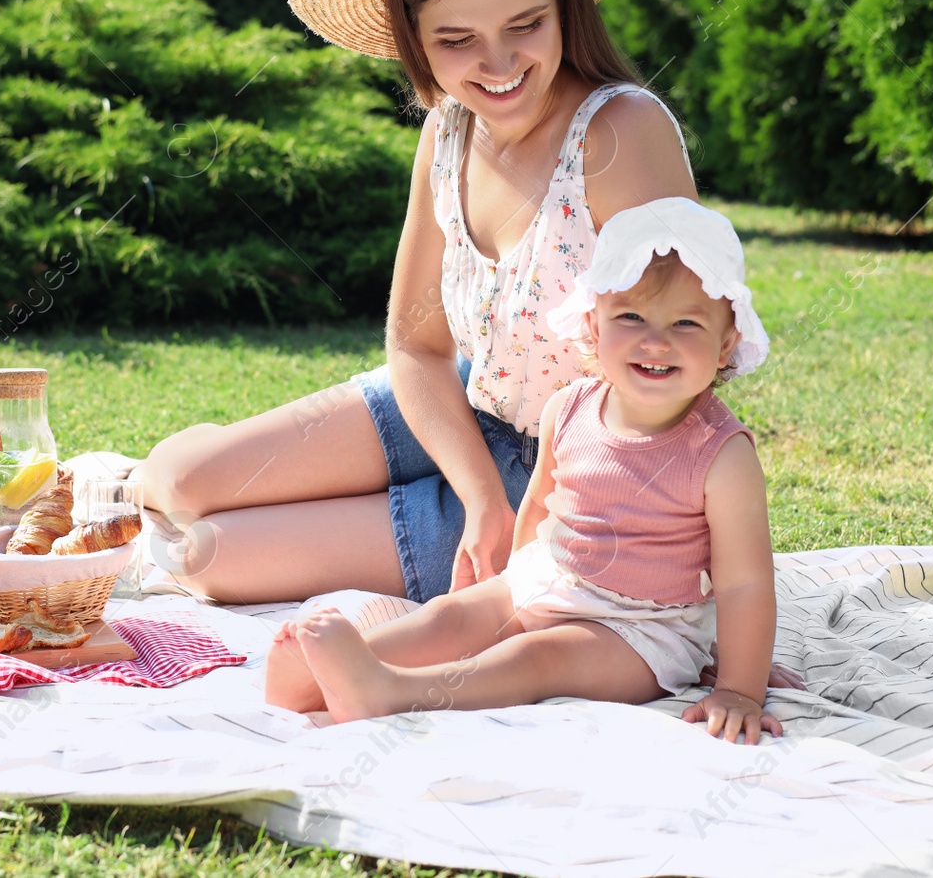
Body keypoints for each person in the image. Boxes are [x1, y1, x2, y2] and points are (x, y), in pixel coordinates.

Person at [135, 0, 698, 605]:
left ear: (566, 5)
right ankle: (206, 461)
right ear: (414, 41)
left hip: (575, 473)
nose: (497, 66)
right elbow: (416, 345)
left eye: (525, 25)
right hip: (457, 405)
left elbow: (676, 367)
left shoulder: (621, 133)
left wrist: (525, 512)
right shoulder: (447, 131)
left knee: (206, 556)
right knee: (175, 484)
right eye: (456, 40)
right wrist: (474, 490)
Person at [266, 199, 785, 744]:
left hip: (638, 631)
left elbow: (746, 582)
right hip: (550, 580)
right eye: (630, 316)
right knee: (452, 619)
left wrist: (739, 686)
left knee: (534, 657)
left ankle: (387, 691)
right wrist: (509, 590)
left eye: (686, 323)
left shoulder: (721, 455)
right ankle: (320, 678)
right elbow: (538, 507)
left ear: (727, 343)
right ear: (593, 322)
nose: (656, 340)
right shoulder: (570, 407)